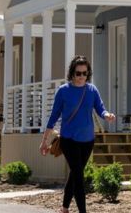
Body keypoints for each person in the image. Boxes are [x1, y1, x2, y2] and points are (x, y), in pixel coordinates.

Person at [39, 55, 115, 213]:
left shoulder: (92, 90)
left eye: (85, 73)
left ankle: (64, 208)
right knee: (79, 176)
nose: (81, 77)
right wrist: (44, 141)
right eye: (78, 73)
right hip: (69, 139)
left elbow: (100, 108)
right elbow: (53, 116)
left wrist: (107, 115)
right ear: (72, 73)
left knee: (75, 173)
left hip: (88, 140)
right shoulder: (63, 91)